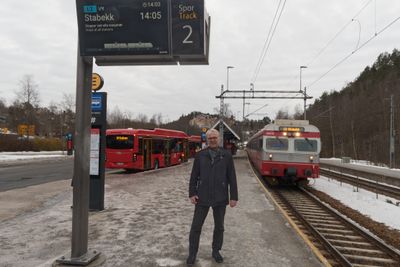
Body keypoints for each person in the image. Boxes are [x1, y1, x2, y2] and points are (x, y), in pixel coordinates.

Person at [187, 129, 238, 265]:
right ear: (207, 140)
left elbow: (232, 177)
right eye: (210, 138)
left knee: (219, 227)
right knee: (196, 227)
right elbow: (194, 176)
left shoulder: (226, 155)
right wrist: (192, 193)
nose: (213, 140)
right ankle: (192, 254)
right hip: (202, 196)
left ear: (219, 139)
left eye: (215, 137)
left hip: (220, 197)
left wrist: (234, 196)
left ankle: (216, 251)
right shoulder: (200, 155)